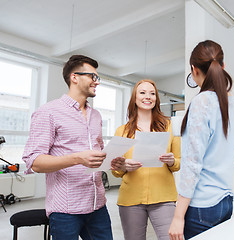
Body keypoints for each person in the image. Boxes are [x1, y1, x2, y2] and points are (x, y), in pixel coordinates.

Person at [22, 55, 121, 240]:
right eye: (93, 77)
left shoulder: (96, 116)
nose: (96, 82)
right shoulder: (48, 112)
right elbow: (34, 162)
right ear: (74, 77)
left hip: (97, 205)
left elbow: (96, 155)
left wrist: (112, 161)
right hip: (65, 209)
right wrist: (77, 158)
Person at [168, 40, 234, 240]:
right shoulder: (232, 103)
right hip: (226, 202)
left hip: (202, 206)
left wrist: (178, 216)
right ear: (223, 66)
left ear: (194, 70)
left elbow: (192, 164)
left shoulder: (201, 102)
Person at [111, 79, 181, 240]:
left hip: (163, 197)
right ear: (134, 98)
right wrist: (123, 166)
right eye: (142, 92)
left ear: (156, 98)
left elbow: (178, 162)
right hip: (131, 199)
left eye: (152, 93)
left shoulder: (169, 127)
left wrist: (171, 161)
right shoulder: (122, 131)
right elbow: (115, 170)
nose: (147, 96)